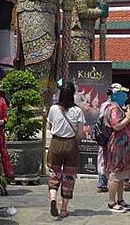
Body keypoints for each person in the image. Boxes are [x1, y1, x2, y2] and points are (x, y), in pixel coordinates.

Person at [46, 82, 85, 218]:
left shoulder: (53, 109)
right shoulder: (78, 111)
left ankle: (53, 199)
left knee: (53, 172)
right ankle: (63, 209)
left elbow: (50, 127)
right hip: (71, 144)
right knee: (69, 175)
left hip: (56, 143)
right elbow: (80, 134)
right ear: (73, 94)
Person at [102, 85, 130, 213]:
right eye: (123, 94)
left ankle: (120, 199)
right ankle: (111, 201)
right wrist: (128, 118)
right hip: (117, 146)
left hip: (123, 147)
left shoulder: (119, 107)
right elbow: (116, 126)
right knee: (115, 174)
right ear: (116, 95)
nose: (126, 96)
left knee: (121, 175)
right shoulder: (114, 108)